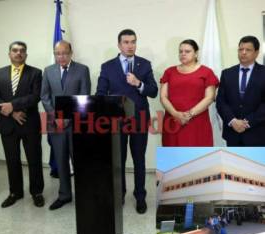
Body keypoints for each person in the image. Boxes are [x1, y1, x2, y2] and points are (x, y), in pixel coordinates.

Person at [96, 29, 158, 214]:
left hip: (139, 118)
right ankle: (120, 193)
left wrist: (139, 84)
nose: (130, 45)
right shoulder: (107, 66)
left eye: (133, 42)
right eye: (126, 42)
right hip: (116, 121)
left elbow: (153, 91)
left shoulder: (144, 64)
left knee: (139, 159)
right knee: (119, 160)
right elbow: (100, 93)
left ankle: (140, 196)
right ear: (119, 45)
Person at [0, 41, 44, 208]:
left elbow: (35, 96)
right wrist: (11, 112)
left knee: (34, 159)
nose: (18, 53)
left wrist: (13, 105)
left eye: (22, 51)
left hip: (30, 123)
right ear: (9, 54)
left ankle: (37, 192)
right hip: (8, 123)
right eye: (15, 50)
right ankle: (15, 192)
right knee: (12, 160)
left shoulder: (35, 73)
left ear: (26, 54)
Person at [41, 40, 91, 210]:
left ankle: (84, 195)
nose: (61, 56)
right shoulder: (48, 71)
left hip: (76, 124)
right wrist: (56, 116)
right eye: (57, 53)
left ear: (71, 53)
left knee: (80, 162)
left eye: (64, 53)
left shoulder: (82, 70)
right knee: (61, 160)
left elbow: (84, 96)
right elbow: (45, 96)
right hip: (55, 124)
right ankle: (64, 195)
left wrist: (67, 118)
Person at [160, 39, 219, 146]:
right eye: (180, 51)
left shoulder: (206, 72)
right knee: (173, 159)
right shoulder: (169, 72)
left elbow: (209, 98)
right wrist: (176, 114)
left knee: (198, 158)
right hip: (173, 121)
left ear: (196, 53)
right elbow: (163, 97)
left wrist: (189, 114)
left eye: (187, 51)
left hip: (197, 122)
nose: (183, 54)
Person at [216, 36, 265, 146]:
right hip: (233, 133)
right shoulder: (227, 73)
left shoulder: (263, 73)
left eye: (248, 50)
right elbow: (221, 101)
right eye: (240, 49)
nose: (243, 53)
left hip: (258, 133)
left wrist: (247, 123)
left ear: (256, 53)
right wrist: (233, 121)